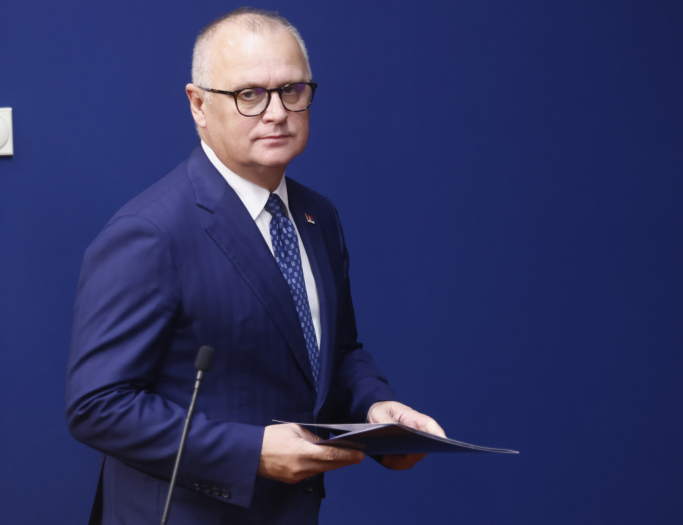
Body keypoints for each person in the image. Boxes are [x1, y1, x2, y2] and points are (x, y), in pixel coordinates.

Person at [66, 7, 443, 524]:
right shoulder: (150, 232)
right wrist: (251, 453)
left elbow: (334, 353)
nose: (276, 112)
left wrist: (376, 412)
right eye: (249, 94)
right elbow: (98, 406)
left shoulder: (318, 216)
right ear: (199, 104)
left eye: (291, 90)